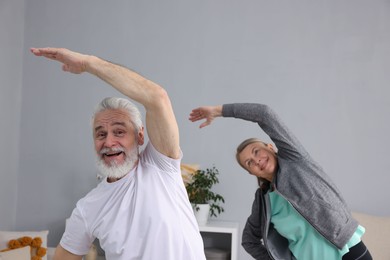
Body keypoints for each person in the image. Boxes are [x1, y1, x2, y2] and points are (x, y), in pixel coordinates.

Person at [31, 47, 206, 260]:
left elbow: (156, 97)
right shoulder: (88, 208)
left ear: (140, 136)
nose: (109, 142)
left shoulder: (161, 165)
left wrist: (89, 63)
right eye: (101, 134)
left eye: (119, 132)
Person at [189, 103, 372, 260]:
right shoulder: (264, 201)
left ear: (270, 147)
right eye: (249, 163)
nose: (256, 160)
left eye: (256, 151)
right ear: (250, 171)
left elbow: (264, 114)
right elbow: (248, 240)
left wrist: (219, 110)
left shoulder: (296, 160)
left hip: (347, 250)